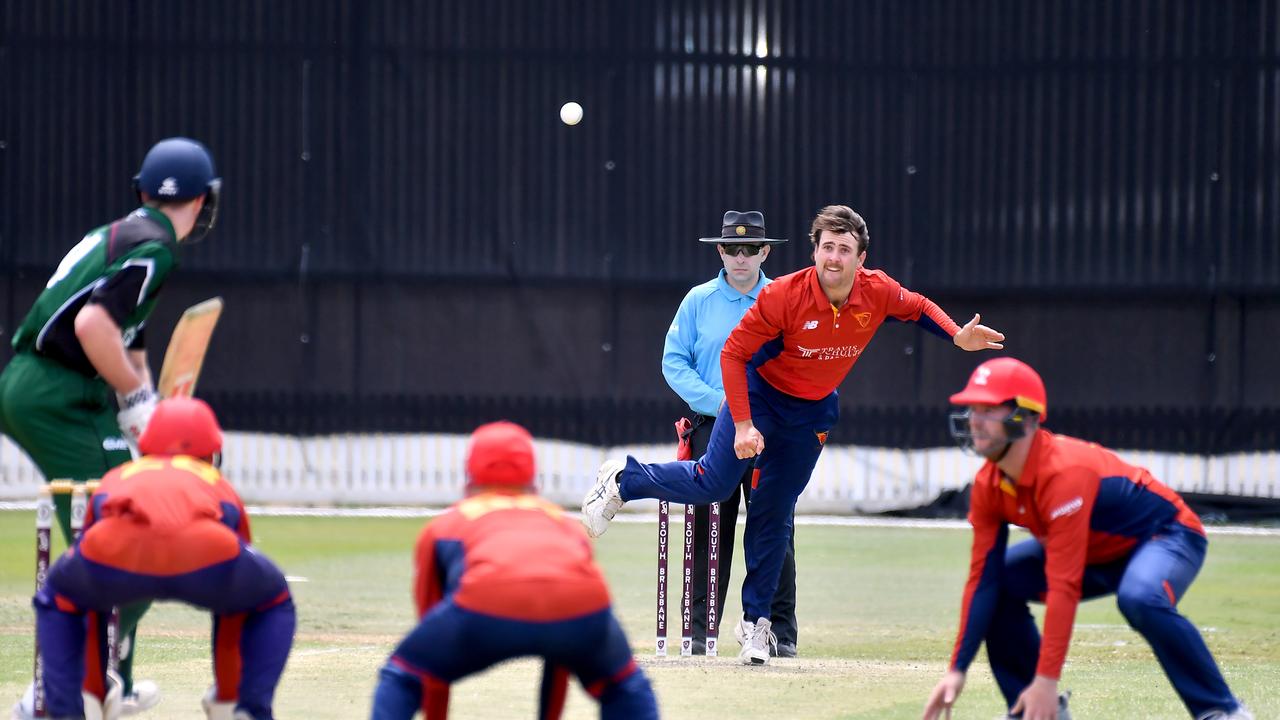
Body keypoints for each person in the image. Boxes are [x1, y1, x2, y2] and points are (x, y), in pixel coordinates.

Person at [583, 204, 1006, 665]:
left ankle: (755, 626)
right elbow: (733, 354)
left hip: (812, 413)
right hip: (760, 397)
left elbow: (917, 307)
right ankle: (623, 478)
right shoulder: (785, 295)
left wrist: (956, 336)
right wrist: (743, 424)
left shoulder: (877, 290)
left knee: (774, 513)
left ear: (861, 258)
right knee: (714, 483)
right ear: (815, 250)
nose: (834, 258)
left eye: (845, 249)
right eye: (827, 247)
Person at [0, 136, 222, 713]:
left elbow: (128, 340)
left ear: (142, 191)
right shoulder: (155, 249)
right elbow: (94, 327)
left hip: (60, 390)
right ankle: (56, 691)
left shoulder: (124, 235)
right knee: (137, 535)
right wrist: (139, 398)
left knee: (131, 535)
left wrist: (141, 413)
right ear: (203, 202)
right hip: (55, 393)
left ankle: (109, 683)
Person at [922, 357, 1253, 720]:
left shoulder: (1064, 473)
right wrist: (957, 669)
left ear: (1023, 417)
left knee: (1140, 597)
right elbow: (982, 579)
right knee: (999, 582)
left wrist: (1048, 679)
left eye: (988, 409)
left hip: (1168, 536)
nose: (974, 420)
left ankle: (1222, 711)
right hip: (1095, 554)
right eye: (972, 409)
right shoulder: (988, 484)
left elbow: (1064, 583)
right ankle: (1033, 710)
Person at [14, 397, 295, 720]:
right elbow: (236, 588)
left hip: (117, 548)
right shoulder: (217, 483)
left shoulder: (120, 475)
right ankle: (239, 707)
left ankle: (78, 705)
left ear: (146, 448)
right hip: (205, 549)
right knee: (269, 599)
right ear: (211, 452)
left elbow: (90, 549)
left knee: (63, 598)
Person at [370, 421, 658, 720]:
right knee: (625, 685)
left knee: (401, 676)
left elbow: (431, 669)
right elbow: (558, 656)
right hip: (583, 610)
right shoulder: (561, 522)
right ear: (534, 480)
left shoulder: (446, 525)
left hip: (484, 606)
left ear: (468, 478)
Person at [662, 210, 798, 656]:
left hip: (769, 432)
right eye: (732, 249)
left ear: (765, 251)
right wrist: (719, 404)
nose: (741, 258)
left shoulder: (783, 298)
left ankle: (780, 633)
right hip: (711, 429)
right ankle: (699, 633)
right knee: (706, 530)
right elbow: (673, 362)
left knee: (773, 529)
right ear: (720, 251)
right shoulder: (698, 300)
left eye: (750, 249)